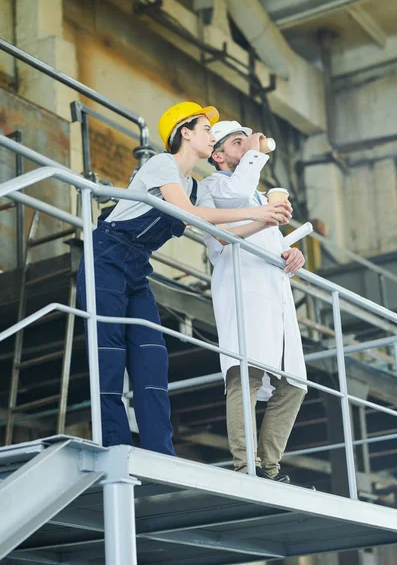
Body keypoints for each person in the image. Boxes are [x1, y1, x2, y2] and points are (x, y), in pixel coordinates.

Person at [77, 103, 291, 455]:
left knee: (152, 356)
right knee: (109, 353)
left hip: (136, 267)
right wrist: (257, 210)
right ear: (185, 133)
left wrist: (266, 221)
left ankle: (161, 451)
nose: (211, 136)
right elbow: (186, 213)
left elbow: (220, 235)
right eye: (206, 129)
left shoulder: (193, 185)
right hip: (106, 257)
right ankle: (114, 444)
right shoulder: (163, 164)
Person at [200, 120, 307, 482]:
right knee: (246, 372)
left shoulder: (259, 197)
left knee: (294, 383)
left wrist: (292, 255)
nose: (247, 146)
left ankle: (270, 465)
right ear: (217, 155)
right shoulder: (213, 186)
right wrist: (255, 155)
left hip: (274, 293)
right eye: (237, 142)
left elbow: (270, 241)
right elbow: (229, 219)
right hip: (243, 289)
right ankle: (247, 465)